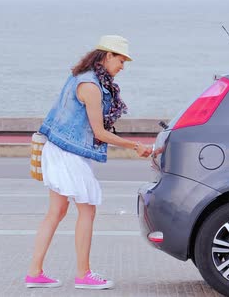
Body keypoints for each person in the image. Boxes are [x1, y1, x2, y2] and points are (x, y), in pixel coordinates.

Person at [24, 35, 152, 290]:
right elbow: (99, 133)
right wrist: (135, 145)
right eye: (121, 59)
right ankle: (83, 274)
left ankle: (34, 273)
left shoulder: (82, 77)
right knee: (87, 210)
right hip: (68, 153)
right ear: (107, 56)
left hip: (60, 148)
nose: (123, 66)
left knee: (57, 212)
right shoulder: (91, 86)